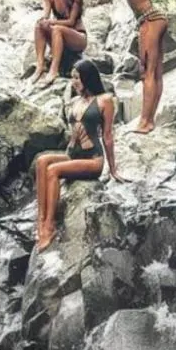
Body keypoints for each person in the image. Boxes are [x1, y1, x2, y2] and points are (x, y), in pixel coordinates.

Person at [45, 0, 169, 134]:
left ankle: (145, 123)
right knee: (155, 74)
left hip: (149, 21)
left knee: (147, 75)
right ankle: (149, 120)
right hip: (157, 19)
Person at [33, 59, 122, 251]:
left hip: (92, 160)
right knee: (41, 161)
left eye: (77, 78)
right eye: (72, 78)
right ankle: (40, 221)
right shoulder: (75, 101)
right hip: (73, 155)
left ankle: (50, 226)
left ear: (87, 78)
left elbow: (107, 137)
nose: (73, 82)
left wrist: (112, 169)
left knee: (53, 171)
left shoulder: (105, 100)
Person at [30, 0, 86, 87]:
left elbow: (71, 22)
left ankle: (53, 70)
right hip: (59, 35)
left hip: (78, 37)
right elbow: (45, 16)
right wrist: (44, 20)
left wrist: (52, 22)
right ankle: (40, 66)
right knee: (39, 25)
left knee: (56, 28)